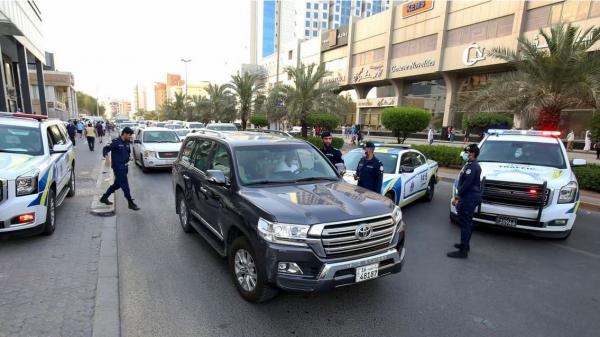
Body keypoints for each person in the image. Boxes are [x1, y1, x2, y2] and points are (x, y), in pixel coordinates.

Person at [448, 144, 482, 259]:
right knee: (466, 222)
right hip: (468, 196)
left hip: (469, 197)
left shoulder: (473, 167)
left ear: (472, 153)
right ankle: (465, 245)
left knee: (466, 223)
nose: (465, 154)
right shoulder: (470, 165)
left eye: (467, 152)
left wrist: (457, 197)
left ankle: (463, 251)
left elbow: (466, 184)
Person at [99, 127, 140, 210]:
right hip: (118, 167)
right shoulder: (116, 142)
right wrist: (107, 158)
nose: (130, 136)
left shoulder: (127, 142)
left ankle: (104, 198)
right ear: (124, 133)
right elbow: (105, 149)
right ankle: (130, 203)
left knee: (117, 185)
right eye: (129, 135)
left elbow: (128, 152)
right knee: (125, 185)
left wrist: (130, 156)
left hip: (125, 167)